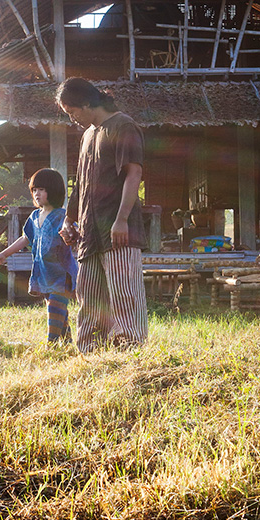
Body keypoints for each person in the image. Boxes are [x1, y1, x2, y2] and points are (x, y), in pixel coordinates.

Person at [56, 78, 148, 353]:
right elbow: (81, 184)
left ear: (87, 103)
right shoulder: (87, 136)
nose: (73, 119)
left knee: (124, 294)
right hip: (89, 233)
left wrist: (121, 219)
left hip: (118, 229)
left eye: (73, 112)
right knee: (89, 296)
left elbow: (134, 174)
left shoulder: (123, 126)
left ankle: (130, 354)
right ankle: (89, 353)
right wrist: (68, 220)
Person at [0, 168, 77, 344]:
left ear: (53, 191)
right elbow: (25, 238)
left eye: (42, 189)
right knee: (59, 312)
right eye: (34, 190)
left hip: (61, 274)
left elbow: (76, 232)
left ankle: (50, 345)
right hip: (43, 273)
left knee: (54, 307)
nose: (37, 193)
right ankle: (67, 344)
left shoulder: (63, 217)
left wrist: (71, 234)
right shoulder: (34, 217)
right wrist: (3, 254)